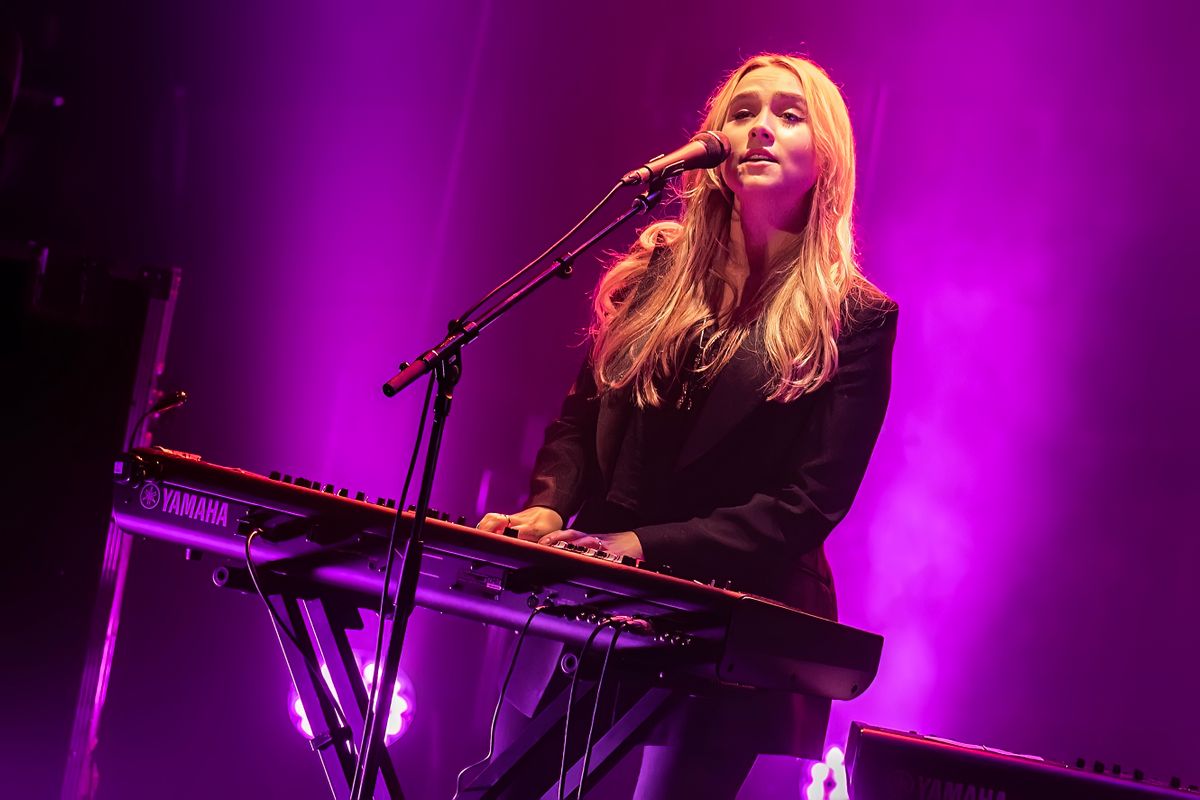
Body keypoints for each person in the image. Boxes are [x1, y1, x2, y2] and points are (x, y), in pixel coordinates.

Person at [477, 52, 897, 799]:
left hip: (731, 620)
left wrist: (640, 546)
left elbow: (808, 504)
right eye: (742, 113)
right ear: (713, 147)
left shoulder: (855, 318)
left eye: (787, 114)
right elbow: (580, 419)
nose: (759, 127)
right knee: (504, 789)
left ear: (826, 156)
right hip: (591, 584)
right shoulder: (658, 275)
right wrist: (547, 503)